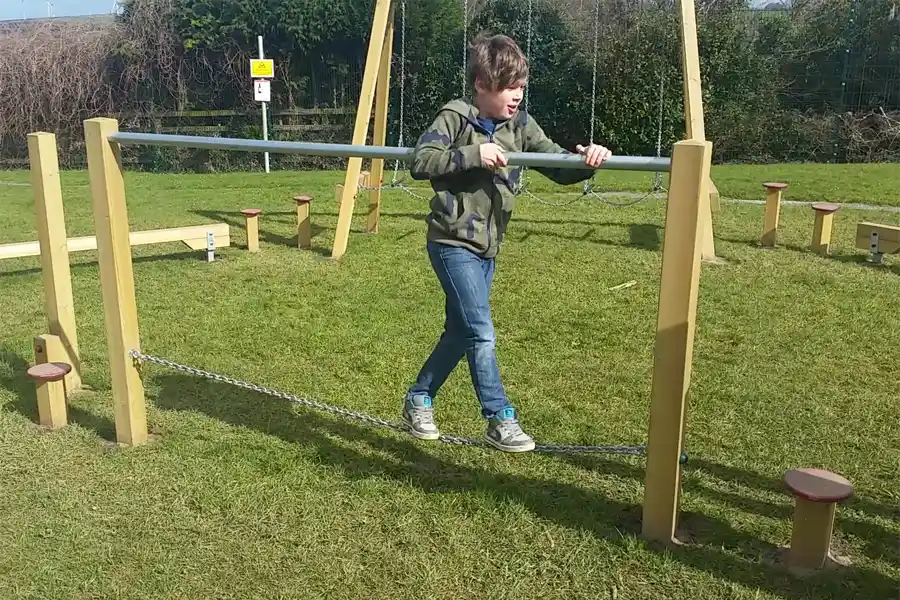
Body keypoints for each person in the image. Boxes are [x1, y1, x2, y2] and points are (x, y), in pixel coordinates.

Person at [401, 32, 612, 453]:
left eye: (521, 87)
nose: (516, 96)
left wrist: (589, 161)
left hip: (488, 249)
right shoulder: (456, 116)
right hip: (451, 243)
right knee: (481, 330)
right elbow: (420, 161)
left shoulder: (520, 125)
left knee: (461, 331)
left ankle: (418, 399)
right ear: (482, 84)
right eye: (509, 87)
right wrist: (474, 154)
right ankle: (499, 418)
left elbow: (556, 164)